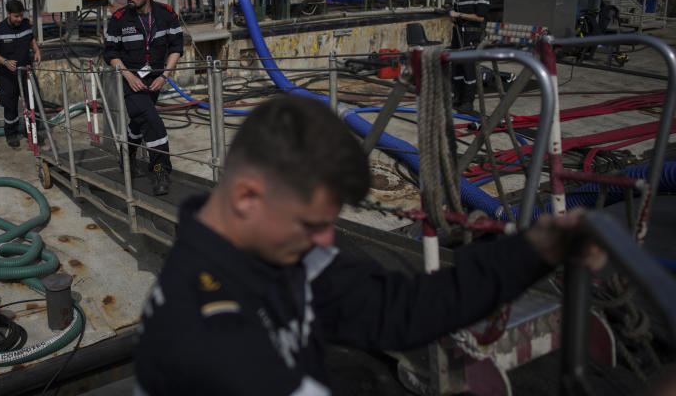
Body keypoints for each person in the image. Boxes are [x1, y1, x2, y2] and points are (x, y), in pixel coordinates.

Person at [134, 95, 606, 395]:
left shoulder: (275, 254)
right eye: (313, 223)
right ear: (246, 197)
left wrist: (535, 250)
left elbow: (399, 309)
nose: (326, 239)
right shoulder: (202, 334)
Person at [103, 0, 183, 195]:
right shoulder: (119, 20)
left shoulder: (167, 15)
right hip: (130, 82)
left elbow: (176, 48)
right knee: (152, 122)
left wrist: (165, 76)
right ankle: (160, 172)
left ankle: (126, 155)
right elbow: (110, 53)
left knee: (139, 122)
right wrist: (128, 75)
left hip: (156, 80)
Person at [0, 0, 41, 148]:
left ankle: (33, 133)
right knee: (10, 105)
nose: (19, 19)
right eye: (16, 16)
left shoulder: (26, 25)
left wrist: (37, 51)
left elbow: (31, 39)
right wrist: (4, 61)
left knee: (32, 103)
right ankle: (11, 134)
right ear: (8, 14)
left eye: (21, 16)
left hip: (26, 72)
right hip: (8, 75)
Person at [449, 0, 490, 113]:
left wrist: (459, 15)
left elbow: (480, 17)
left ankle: (468, 101)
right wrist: (453, 16)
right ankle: (458, 97)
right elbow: (455, 8)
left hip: (471, 35)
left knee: (468, 69)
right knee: (457, 67)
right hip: (458, 33)